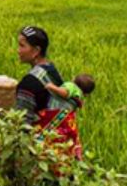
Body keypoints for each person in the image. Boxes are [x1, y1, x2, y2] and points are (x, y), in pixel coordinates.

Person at [14, 26, 82, 159]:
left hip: (41, 153)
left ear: (36, 51)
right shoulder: (51, 69)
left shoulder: (28, 84)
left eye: (22, 46)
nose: (18, 50)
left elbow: (22, 124)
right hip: (61, 144)